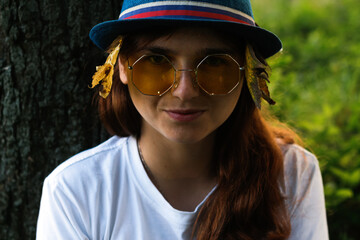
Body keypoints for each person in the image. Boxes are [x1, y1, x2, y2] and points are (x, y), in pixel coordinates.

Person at [36, 0, 329, 239]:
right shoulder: (75, 192)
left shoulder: (292, 174)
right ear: (123, 67)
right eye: (157, 61)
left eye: (214, 63)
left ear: (246, 73)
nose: (185, 92)